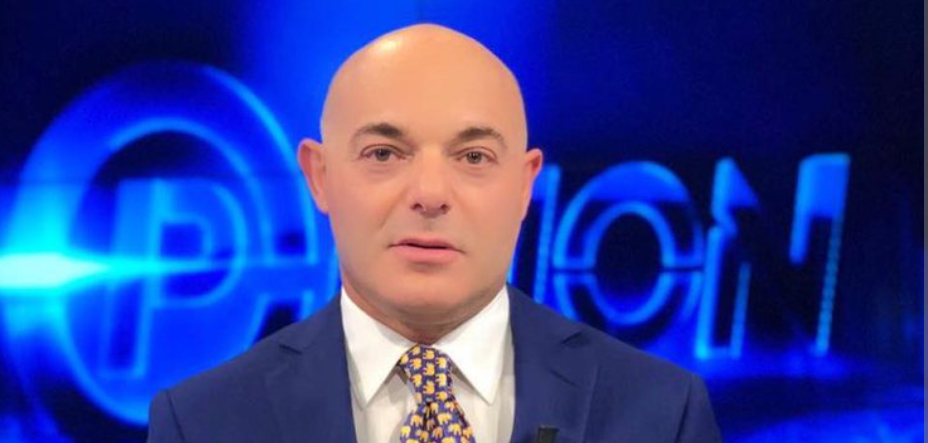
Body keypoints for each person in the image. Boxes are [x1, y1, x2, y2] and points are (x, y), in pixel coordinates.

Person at [147, 23, 722, 443]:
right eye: (384, 153)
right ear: (319, 177)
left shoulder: (661, 414)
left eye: (473, 157)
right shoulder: (202, 423)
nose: (429, 193)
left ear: (524, 186)